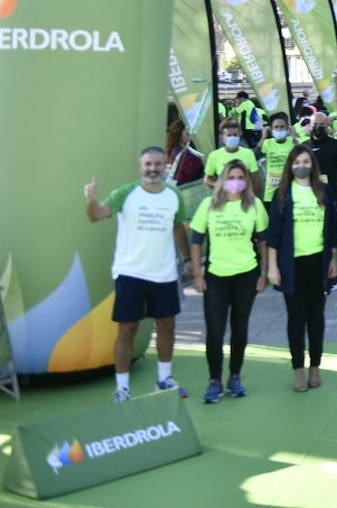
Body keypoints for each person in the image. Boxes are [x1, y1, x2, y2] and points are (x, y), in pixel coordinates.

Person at [84, 148, 190, 402]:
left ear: (165, 166)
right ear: (140, 167)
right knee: (127, 330)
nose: (153, 168)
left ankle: (164, 378)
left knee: (167, 326)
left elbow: (177, 229)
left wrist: (188, 261)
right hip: (130, 273)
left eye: (158, 164)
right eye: (148, 164)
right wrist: (90, 200)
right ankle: (122, 388)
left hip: (164, 275)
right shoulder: (126, 193)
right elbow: (96, 216)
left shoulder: (174, 195)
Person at [189, 159, 269, 403]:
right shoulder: (208, 205)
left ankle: (235, 376)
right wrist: (197, 274)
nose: (236, 182)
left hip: (246, 275)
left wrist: (264, 273)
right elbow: (195, 240)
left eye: (240, 177)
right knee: (214, 330)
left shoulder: (254, 205)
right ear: (222, 179)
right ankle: (215, 380)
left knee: (239, 327)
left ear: (247, 181)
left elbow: (263, 242)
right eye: (231, 177)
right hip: (216, 277)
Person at [266, 145, 337, 392]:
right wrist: (272, 267)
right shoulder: (283, 194)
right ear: (290, 165)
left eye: (306, 161)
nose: (301, 166)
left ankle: (315, 366)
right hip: (291, 265)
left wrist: (334, 260)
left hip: (317, 263)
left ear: (313, 165)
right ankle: (298, 368)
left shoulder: (324, 191)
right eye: (297, 161)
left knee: (316, 318)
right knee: (295, 319)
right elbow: (274, 236)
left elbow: (333, 230)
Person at [204, 118, 262, 196]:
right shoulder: (214, 156)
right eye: (229, 135)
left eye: (235, 135)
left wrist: (257, 199)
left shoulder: (248, 153)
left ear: (240, 135)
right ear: (222, 137)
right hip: (224, 199)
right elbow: (207, 179)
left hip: (246, 198)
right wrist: (221, 186)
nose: (232, 137)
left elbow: (255, 180)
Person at [305, 112, 337, 205]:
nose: (318, 127)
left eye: (321, 124)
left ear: (327, 125)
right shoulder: (304, 147)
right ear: (310, 125)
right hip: (310, 193)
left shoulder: (336, 145)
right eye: (315, 124)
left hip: (332, 194)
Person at [260, 112, 297, 202]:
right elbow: (255, 155)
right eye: (276, 127)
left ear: (287, 128)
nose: (279, 129)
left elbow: (301, 152)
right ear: (271, 129)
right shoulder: (267, 143)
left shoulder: (292, 142)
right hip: (271, 190)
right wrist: (263, 136)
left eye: (282, 127)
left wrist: (294, 137)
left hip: (289, 187)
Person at [164, 119, 203, 187]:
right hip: (184, 187)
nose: (190, 136)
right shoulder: (178, 151)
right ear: (179, 134)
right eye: (187, 133)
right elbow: (191, 169)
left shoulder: (184, 148)